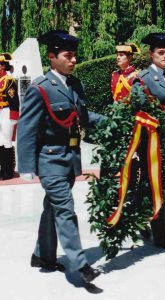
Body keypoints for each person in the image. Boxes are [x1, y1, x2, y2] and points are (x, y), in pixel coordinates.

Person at [17, 30, 106, 283]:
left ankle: (42, 255)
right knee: (65, 209)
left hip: (70, 159)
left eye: (75, 56)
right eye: (68, 56)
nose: (74, 60)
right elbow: (26, 129)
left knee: (52, 208)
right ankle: (80, 264)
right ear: (52, 57)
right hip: (50, 160)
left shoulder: (75, 85)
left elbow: (84, 118)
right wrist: (25, 165)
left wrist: (114, 122)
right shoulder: (40, 87)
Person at [131, 33, 165, 249]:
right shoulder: (143, 79)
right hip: (154, 142)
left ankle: (139, 212)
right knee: (159, 186)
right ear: (151, 54)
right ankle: (161, 234)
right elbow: (136, 111)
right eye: (161, 52)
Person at [0, 53, 19, 180]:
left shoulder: (9, 80)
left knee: (6, 141)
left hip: (6, 112)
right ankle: (2, 169)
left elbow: (14, 100)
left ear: (3, 66)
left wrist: (13, 118)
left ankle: (8, 171)